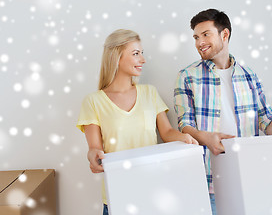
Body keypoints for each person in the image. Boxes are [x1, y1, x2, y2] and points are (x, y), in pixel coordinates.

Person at [174, 8, 272, 214]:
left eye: (206, 34)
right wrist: (206, 137)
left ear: (225, 34)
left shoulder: (249, 75)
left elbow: (266, 120)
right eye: (196, 37)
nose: (199, 42)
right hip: (208, 182)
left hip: (248, 178)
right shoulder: (187, 76)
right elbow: (185, 126)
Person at [76, 29, 198, 215]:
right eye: (136, 54)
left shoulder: (150, 93)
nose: (143, 60)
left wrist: (184, 137)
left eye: (142, 53)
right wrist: (93, 156)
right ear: (116, 57)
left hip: (152, 193)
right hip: (117, 196)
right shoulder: (93, 101)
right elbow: (94, 148)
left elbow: (166, 133)